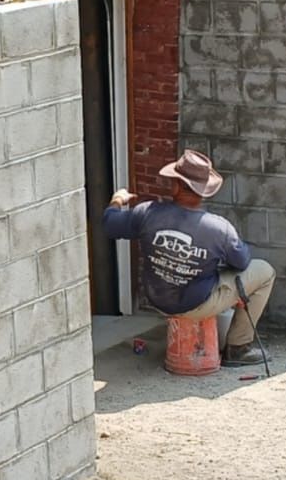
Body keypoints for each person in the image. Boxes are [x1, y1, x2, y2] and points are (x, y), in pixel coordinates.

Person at [103, 148, 275, 367]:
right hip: (196, 304)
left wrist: (117, 199)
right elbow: (242, 263)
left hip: (156, 299)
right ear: (204, 191)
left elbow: (109, 224)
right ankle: (238, 347)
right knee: (265, 272)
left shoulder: (147, 213)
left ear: (175, 185)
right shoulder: (219, 229)